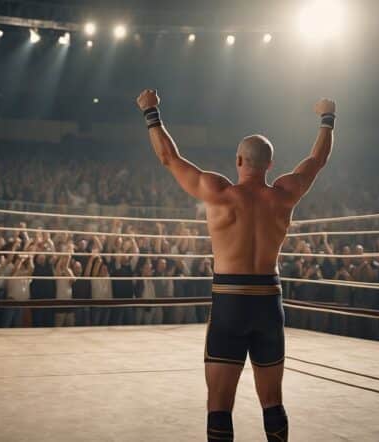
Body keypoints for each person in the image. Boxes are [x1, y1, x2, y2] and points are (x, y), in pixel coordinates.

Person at [137, 88, 336, 441]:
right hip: (268, 301)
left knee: (219, 403)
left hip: (230, 300)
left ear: (239, 161)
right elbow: (316, 161)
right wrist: (327, 119)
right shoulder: (285, 194)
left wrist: (151, 112)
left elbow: (169, 158)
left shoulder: (219, 193)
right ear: (270, 165)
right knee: (272, 401)